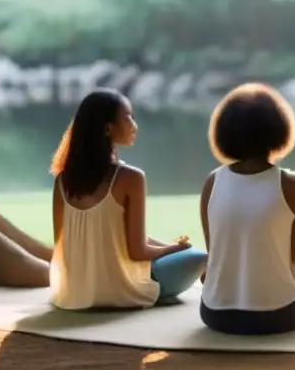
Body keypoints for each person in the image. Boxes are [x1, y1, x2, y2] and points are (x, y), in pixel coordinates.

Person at [49, 89, 207, 310]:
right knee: (200, 256)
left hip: (73, 294)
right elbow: (137, 251)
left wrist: (173, 245)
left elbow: (62, 246)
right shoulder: (131, 178)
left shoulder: (61, 181)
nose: (134, 125)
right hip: (119, 292)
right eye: (128, 117)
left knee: (183, 252)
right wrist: (172, 250)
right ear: (107, 128)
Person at [199, 83, 295, 335]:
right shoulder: (294, 185)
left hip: (214, 314)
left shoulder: (211, 182)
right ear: (279, 130)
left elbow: (215, 251)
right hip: (278, 316)